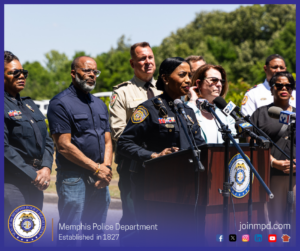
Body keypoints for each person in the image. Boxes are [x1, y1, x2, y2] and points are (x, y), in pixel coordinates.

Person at [117, 57, 206, 245]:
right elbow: (124, 143)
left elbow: (200, 145)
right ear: (165, 78)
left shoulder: (187, 112)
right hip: (154, 190)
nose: (188, 80)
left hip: (185, 189)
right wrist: (154, 156)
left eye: (190, 75)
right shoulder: (149, 109)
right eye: (182, 75)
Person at [47, 56, 113, 246]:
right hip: (73, 178)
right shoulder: (59, 103)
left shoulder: (100, 104)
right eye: (86, 70)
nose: (92, 75)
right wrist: (96, 168)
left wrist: (106, 170)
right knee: (71, 235)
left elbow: (108, 141)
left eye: (95, 71)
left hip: (100, 177)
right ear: (73, 73)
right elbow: (64, 146)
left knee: (95, 234)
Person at [109, 42, 161, 245]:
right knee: (134, 220)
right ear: (133, 63)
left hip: (165, 165)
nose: (147, 62)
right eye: (142, 58)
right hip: (133, 166)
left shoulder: (165, 91)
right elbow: (119, 133)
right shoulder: (122, 93)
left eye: (150, 57)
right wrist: (148, 152)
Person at [4, 51, 54, 244]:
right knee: (18, 236)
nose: (21, 76)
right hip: (11, 183)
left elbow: (47, 140)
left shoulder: (29, 104)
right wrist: (33, 175)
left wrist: (46, 168)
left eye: (23, 72)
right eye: (14, 73)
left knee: (33, 236)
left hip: (35, 182)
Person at [250, 71, 296, 244]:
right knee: (273, 226)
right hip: (271, 177)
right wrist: (274, 163)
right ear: (271, 89)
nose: (284, 88)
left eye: (288, 85)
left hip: (296, 178)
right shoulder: (260, 114)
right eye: (279, 85)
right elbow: (252, 145)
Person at [185, 64, 238, 143]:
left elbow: (234, 144)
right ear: (198, 83)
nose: (219, 84)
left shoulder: (225, 113)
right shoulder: (187, 107)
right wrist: (193, 100)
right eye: (214, 80)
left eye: (221, 81)